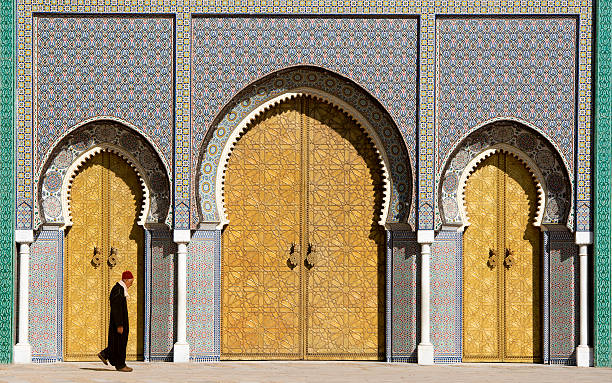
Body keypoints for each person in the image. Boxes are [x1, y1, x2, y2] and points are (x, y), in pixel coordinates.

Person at [98, 271, 134, 372]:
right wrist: (119, 324)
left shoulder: (120, 289)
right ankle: (120, 365)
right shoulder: (118, 290)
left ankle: (105, 354)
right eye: (130, 282)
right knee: (120, 343)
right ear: (126, 280)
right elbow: (116, 308)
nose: (131, 285)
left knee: (117, 343)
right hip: (119, 323)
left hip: (120, 322)